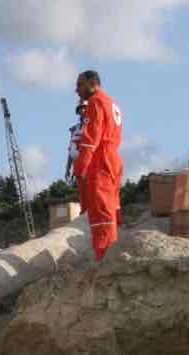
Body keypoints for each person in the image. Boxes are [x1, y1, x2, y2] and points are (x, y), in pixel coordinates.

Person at [74, 70, 123, 261]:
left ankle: (103, 258)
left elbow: (90, 139)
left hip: (100, 160)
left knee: (100, 213)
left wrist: (80, 168)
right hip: (113, 158)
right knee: (111, 209)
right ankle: (110, 254)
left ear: (91, 84)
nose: (77, 90)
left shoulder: (95, 102)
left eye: (79, 85)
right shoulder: (112, 103)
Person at [65, 100, 88, 183]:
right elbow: (71, 151)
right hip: (77, 167)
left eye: (85, 108)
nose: (83, 110)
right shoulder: (74, 129)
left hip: (89, 167)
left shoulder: (92, 126)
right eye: (81, 109)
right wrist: (68, 168)